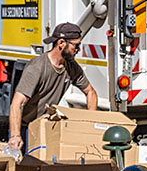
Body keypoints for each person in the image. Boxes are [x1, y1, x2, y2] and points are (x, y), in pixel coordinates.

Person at [7, 23, 98, 151]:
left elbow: (91, 93)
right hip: (25, 128)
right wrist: (15, 136)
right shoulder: (37, 67)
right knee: (22, 169)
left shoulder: (71, 67)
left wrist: (90, 124)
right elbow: (17, 103)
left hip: (45, 126)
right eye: (76, 45)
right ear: (61, 43)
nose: (78, 49)